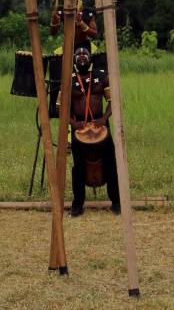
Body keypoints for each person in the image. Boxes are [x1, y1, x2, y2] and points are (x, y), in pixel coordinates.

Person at [65, 43, 119, 216]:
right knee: (78, 167)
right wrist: (74, 124)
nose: (81, 56)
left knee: (110, 163)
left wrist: (103, 119)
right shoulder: (68, 79)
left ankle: (117, 202)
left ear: (90, 57)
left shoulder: (102, 77)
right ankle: (77, 204)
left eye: (85, 53)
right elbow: (60, 108)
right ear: (74, 59)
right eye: (78, 54)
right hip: (79, 129)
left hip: (100, 127)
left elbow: (114, 102)